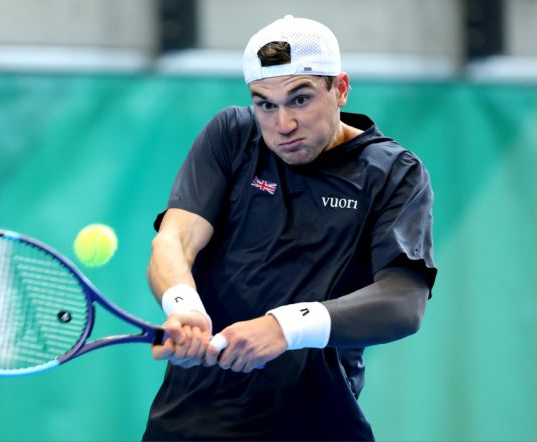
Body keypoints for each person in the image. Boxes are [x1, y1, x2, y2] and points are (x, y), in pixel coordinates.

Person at [142, 15, 436, 441]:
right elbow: (175, 239)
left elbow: (404, 300)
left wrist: (284, 327)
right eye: (265, 104)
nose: (283, 124)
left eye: (300, 99)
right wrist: (185, 307)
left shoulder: (394, 173)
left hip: (320, 426)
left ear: (340, 89)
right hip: (189, 424)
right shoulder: (232, 135)